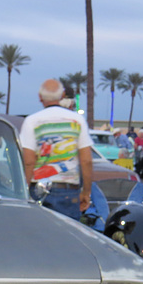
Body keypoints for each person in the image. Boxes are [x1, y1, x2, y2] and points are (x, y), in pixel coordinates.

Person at [20, 78, 93, 221]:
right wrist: (86, 192)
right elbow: (86, 161)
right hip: (68, 190)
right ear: (62, 95)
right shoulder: (77, 121)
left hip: (38, 189)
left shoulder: (32, 121)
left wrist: (25, 190)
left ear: (40, 97)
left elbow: (28, 161)